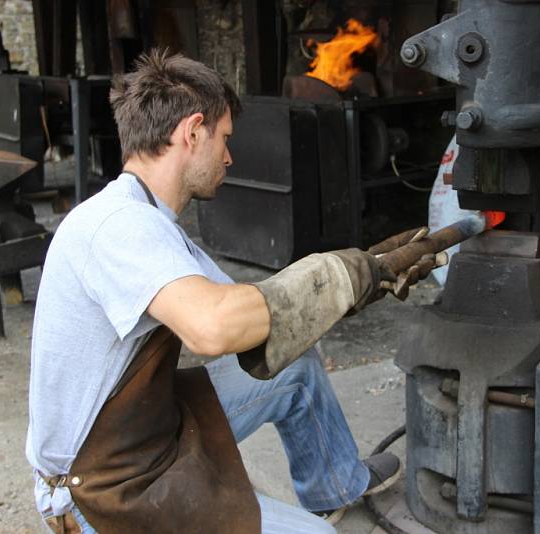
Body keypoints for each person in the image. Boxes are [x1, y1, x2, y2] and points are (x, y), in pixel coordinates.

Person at [26, 49, 440, 534]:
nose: (228, 156)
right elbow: (213, 327)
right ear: (192, 130)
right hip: (102, 485)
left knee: (294, 370)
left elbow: (259, 317)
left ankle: (336, 486)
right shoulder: (118, 226)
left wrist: (369, 274)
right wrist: (333, 275)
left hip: (144, 429)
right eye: (223, 139)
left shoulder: (150, 220)